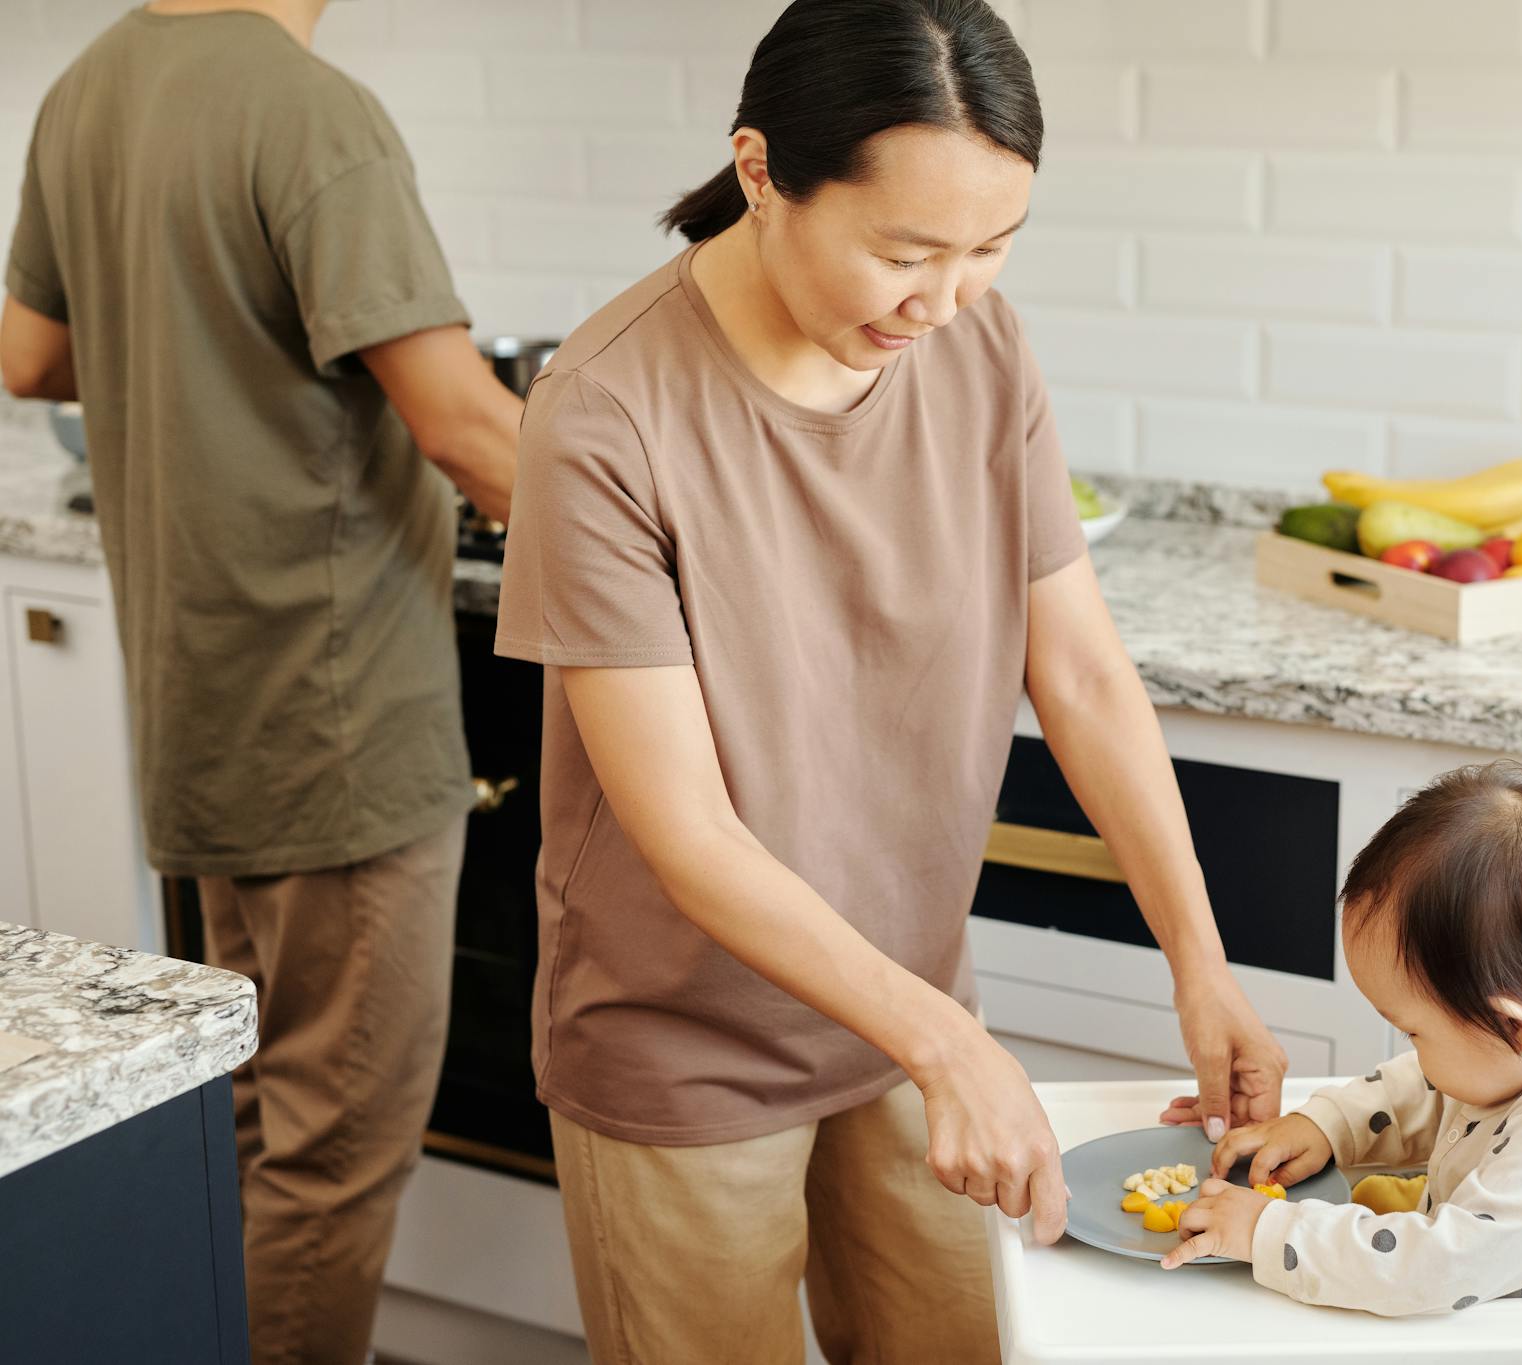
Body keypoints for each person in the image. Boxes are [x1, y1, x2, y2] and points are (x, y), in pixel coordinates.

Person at [491, 1, 1288, 1360]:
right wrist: (951, 1047)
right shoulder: (607, 412)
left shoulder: (979, 349)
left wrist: (1199, 963)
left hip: (906, 1008)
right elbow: (684, 833)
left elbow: (1083, 674)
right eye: (904, 252)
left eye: (989, 249)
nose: (945, 298)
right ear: (761, 172)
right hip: (687, 1044)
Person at [0, 3, 523, 1361]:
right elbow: (469, 427)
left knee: (249, 1113)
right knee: (332, 1158)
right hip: (336, 715)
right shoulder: (311, 111)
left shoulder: (91, 88)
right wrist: (699, 527)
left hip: (202, 704)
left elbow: (27, 355)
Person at [1164, 761, 1522, 1315]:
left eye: (1413, 1031)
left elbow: (1433, 1271)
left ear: (1511, 1026)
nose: (1412, 1052)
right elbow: (1436, 1090)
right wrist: (1328, 1126)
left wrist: (1268, 1233)